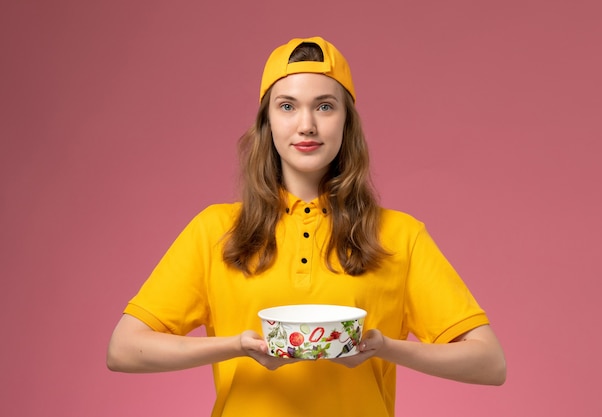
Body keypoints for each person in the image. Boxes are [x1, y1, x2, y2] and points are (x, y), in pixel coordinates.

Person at [107, 36, 506, 416]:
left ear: (347, 122)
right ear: (267, 122)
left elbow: (489, 362)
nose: (306, 125)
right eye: (287, 106)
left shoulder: (400, 236)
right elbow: (124, 349)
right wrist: (237, 346)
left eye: (325, 106)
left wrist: (384, 348)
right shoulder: (214, 230)